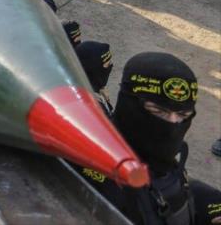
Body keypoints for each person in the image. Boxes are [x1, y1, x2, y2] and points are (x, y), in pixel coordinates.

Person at [78, 52, 221, 224]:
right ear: (127, 104)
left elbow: (168, 183)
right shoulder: (86, 168)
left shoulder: (166, 156)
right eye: (158, 112)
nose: (172, 125)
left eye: (183, 115)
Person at [74, 41, 113, 115]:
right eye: (107, 65)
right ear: (94, 69)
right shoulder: (93, 108)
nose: (110, 67)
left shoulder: (77, 86)